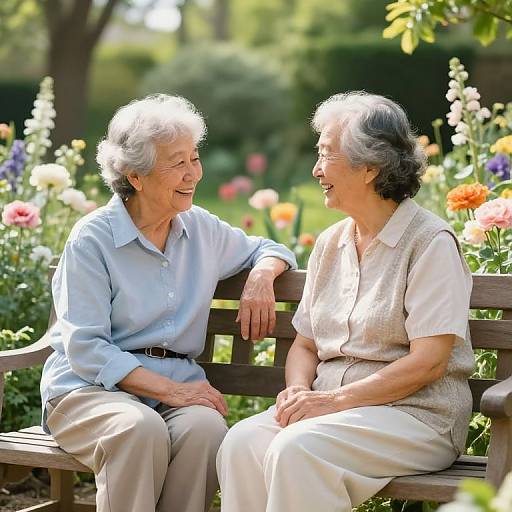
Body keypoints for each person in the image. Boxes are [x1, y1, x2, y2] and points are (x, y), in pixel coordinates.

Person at [217, 92, 474, 512]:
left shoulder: (430, 242)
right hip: (334, 414)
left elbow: (429, 361)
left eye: (325, 155)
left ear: (370, 167)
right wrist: (300, 392)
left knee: (298, 449)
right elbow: (305, 344)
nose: (316, 170)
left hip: (416, 417)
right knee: (242, 443)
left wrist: (332, 401)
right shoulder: (331, 242)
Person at [40, 94, 297, 512]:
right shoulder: (93, 238)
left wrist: (262, 275)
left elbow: (270, 248)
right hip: (87, 393)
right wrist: (171, 389)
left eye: (194, 159)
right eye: (176, 163)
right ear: (135, 177)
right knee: (139, 429)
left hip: (170, 394)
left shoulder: (201, 228)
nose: (192, 173)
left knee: (206, 427)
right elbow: (85, 348)